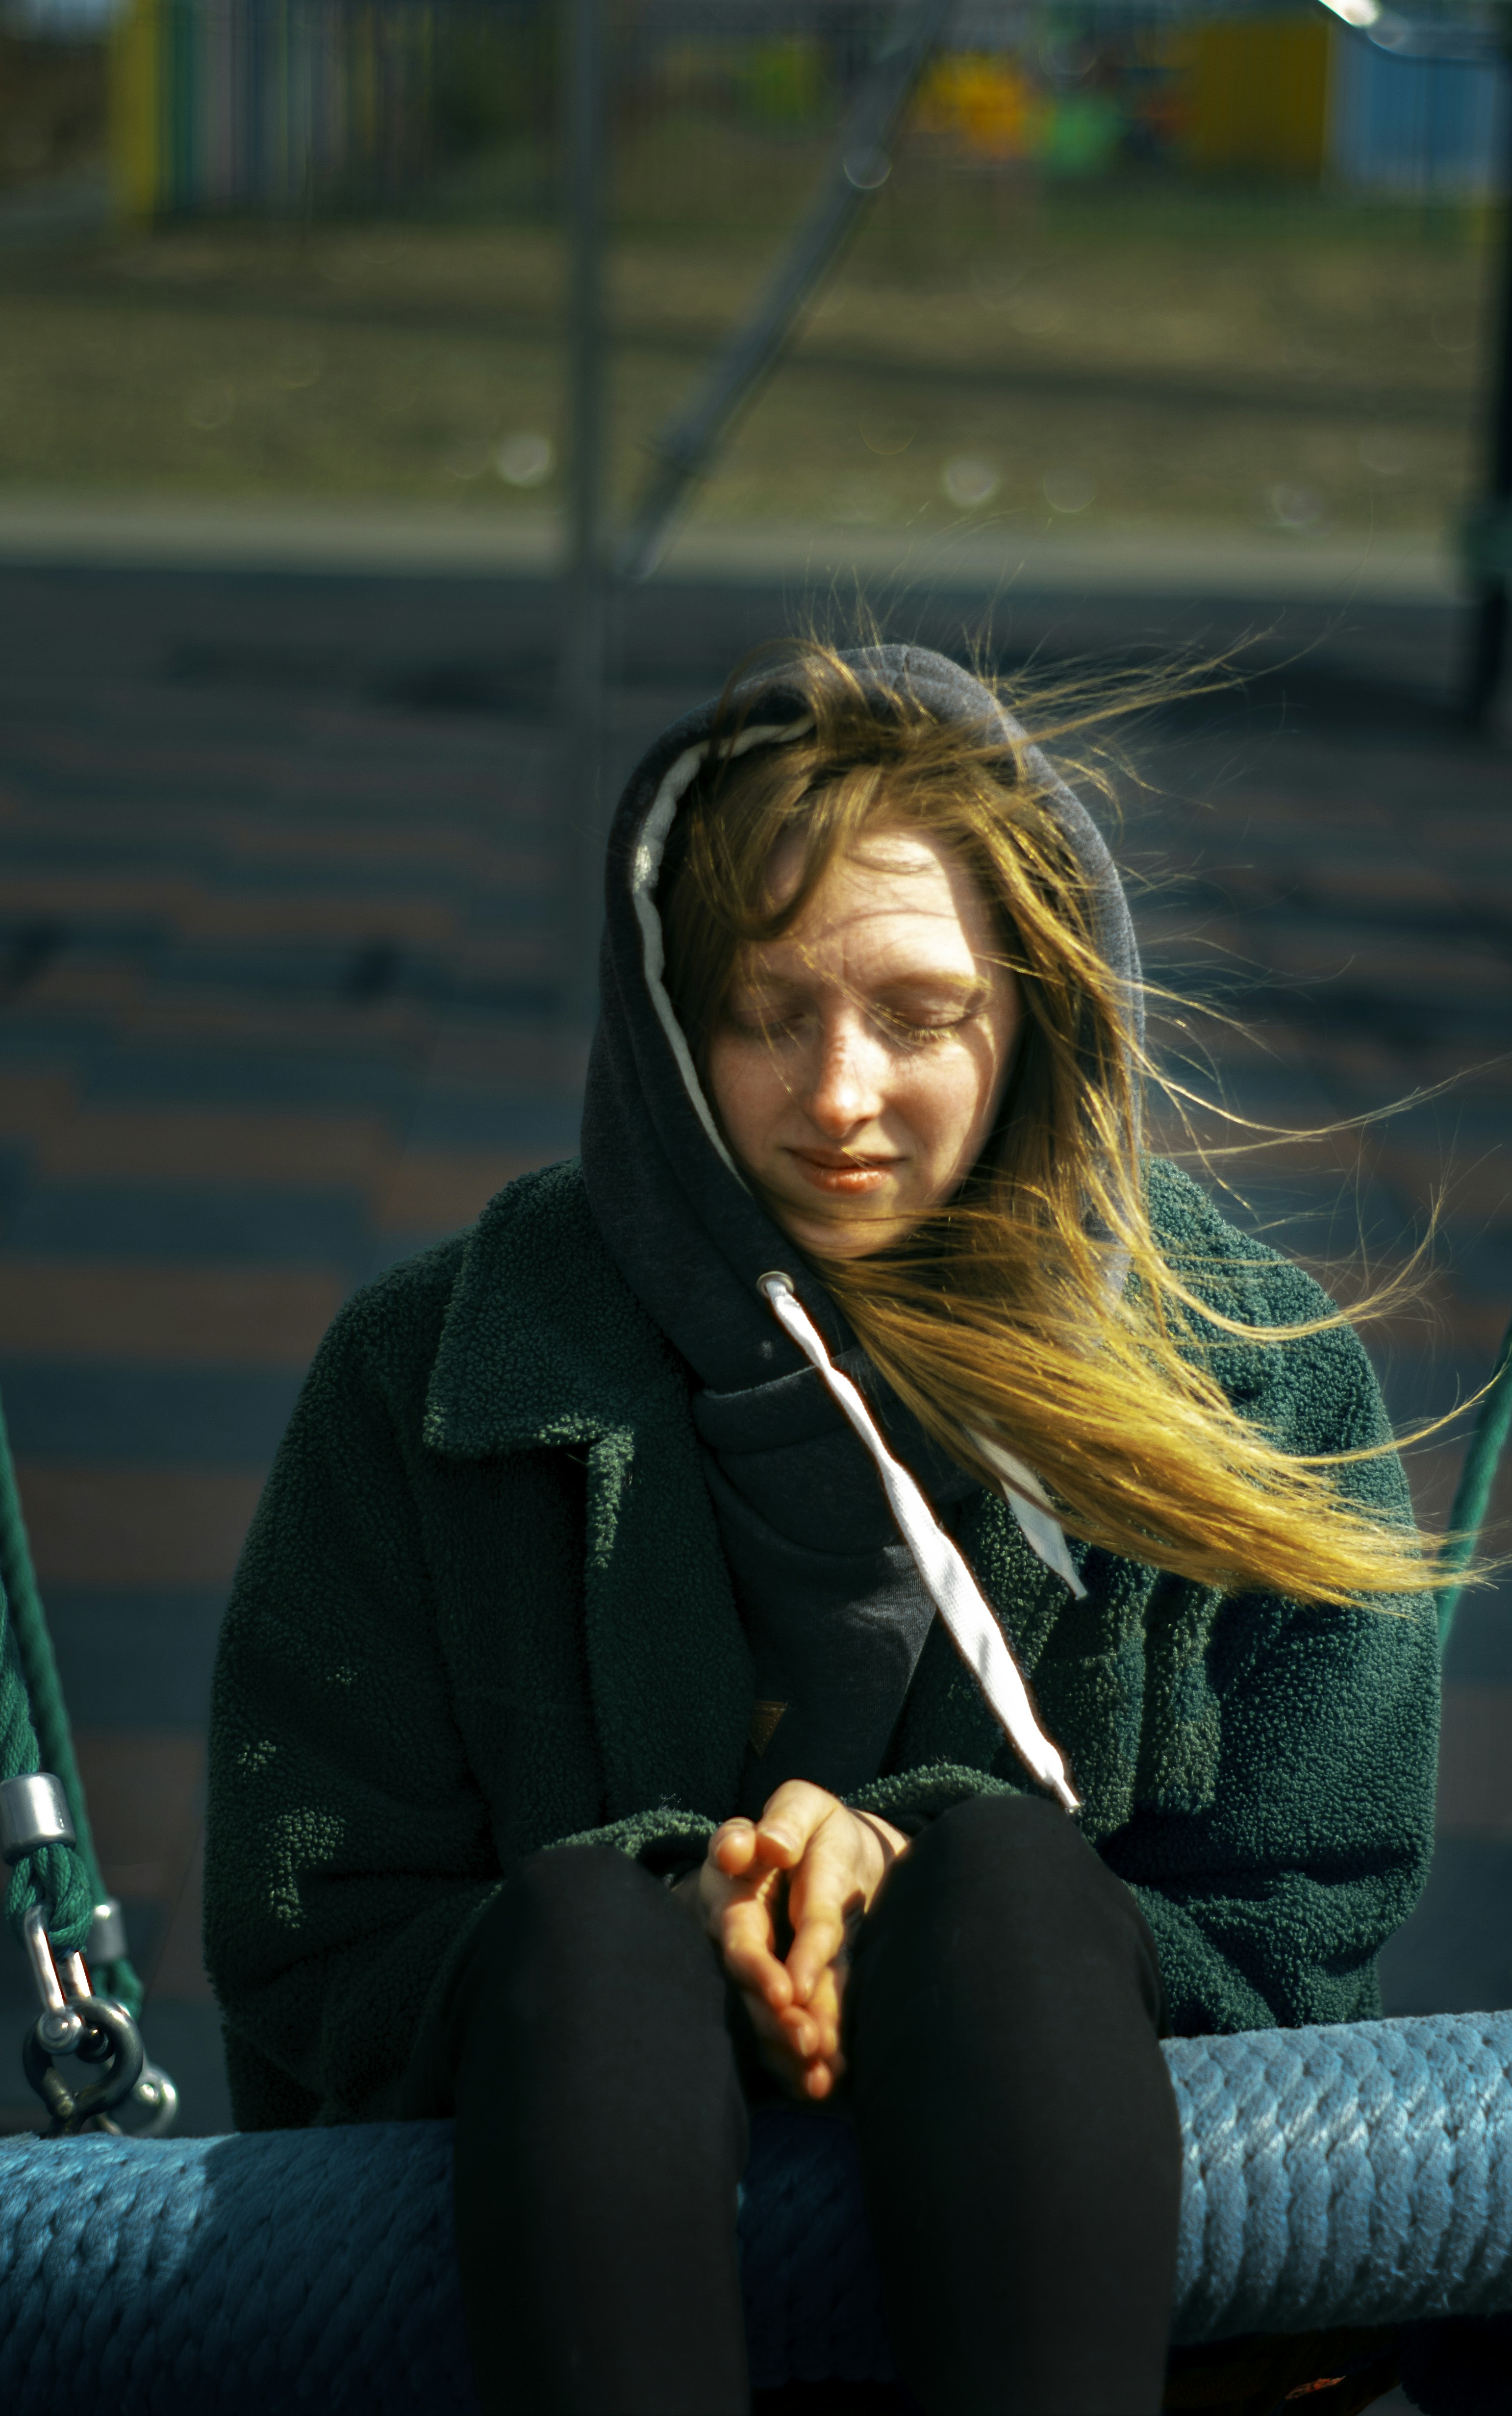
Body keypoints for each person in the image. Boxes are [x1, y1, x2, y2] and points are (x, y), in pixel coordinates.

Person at [203, 642, 1443, 2416]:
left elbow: (1297, 1920)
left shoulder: (1250, 1383)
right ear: (666, 1021)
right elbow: (311, 1930)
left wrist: (903, 1873)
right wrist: (689, 1903)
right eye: (770, 1013)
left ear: (1034, 1013)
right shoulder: (429, 1376)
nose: (840, 1094)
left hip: (1067, 2184)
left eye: (919, 1015)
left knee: (1010, 1891)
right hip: (554, 2189)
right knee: (588, 1940)